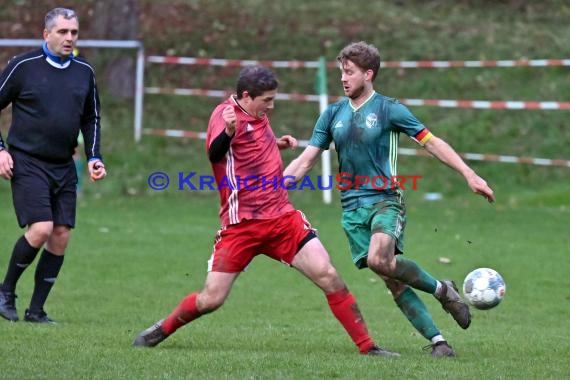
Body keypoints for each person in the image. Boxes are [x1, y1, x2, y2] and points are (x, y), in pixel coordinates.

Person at [133, 66, 399, 357]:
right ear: (246, 96)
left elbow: (251, 145)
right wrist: (229, 132)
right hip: (242, 225)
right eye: (267, 100)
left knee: (328, 274)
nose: (271, 106)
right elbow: (215, 153)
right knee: (211, 299)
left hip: (282, 218)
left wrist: (277, 144)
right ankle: (163, 328)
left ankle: (367, 346)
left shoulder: (258, 114)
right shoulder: (225, 115)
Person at [283, 41, 495, 357]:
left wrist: (469, 174)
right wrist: (274, 189)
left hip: (385, 200)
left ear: (368, 74)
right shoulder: (332, 114)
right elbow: (306, 160)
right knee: (391, 279)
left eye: (350, 72)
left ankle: (441, 293)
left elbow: (432, 143)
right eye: (341, 72)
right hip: (352, 210)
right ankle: (439, 339)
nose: (343, 78)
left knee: (380, 260)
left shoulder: (389, 109)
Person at [0, 7, 106, 324]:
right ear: (46, 34)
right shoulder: (23, 67)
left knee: (60, 235)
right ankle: (5, 291)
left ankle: (36, 311)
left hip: (63, 165)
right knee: (42, 228)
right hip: (27, 161)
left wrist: (95, 157)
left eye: (73, 32)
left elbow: (92, 117)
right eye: (62, 32)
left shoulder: (84, 71)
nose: (69, 38)